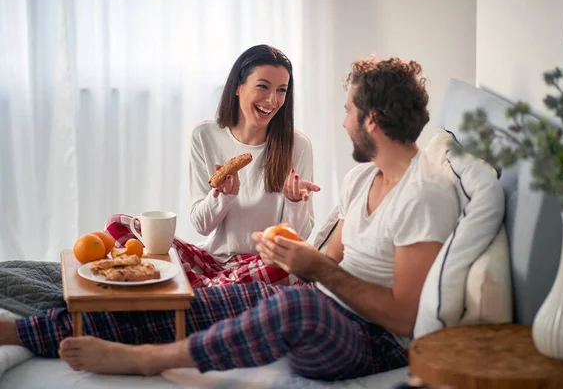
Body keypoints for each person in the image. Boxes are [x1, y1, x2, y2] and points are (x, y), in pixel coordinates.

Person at [0, 57, 460, 381]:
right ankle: (20, 330)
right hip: (317, 300)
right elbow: (326, 258)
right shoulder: (362, 180)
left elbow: (402, 317)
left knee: (295, 306)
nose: (342, 122)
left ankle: (147, 360)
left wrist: (312, 266)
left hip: (368, 339)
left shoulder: (423, 196)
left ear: (373, 121)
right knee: (189, 306)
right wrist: (300, 261)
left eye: (348, 110)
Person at [104, 44, 320, 288]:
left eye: (282, 90)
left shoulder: (297, 145)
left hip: (264, 264)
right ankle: (215, 288)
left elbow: (297, 240)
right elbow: (202, 226)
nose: (272, 100)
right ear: (238, 87)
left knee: (286, 269)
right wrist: (222, 197)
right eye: (263, 86)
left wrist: (294, 202)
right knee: (117, 224)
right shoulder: (205, 135)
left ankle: (200, 288)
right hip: (213, 260)